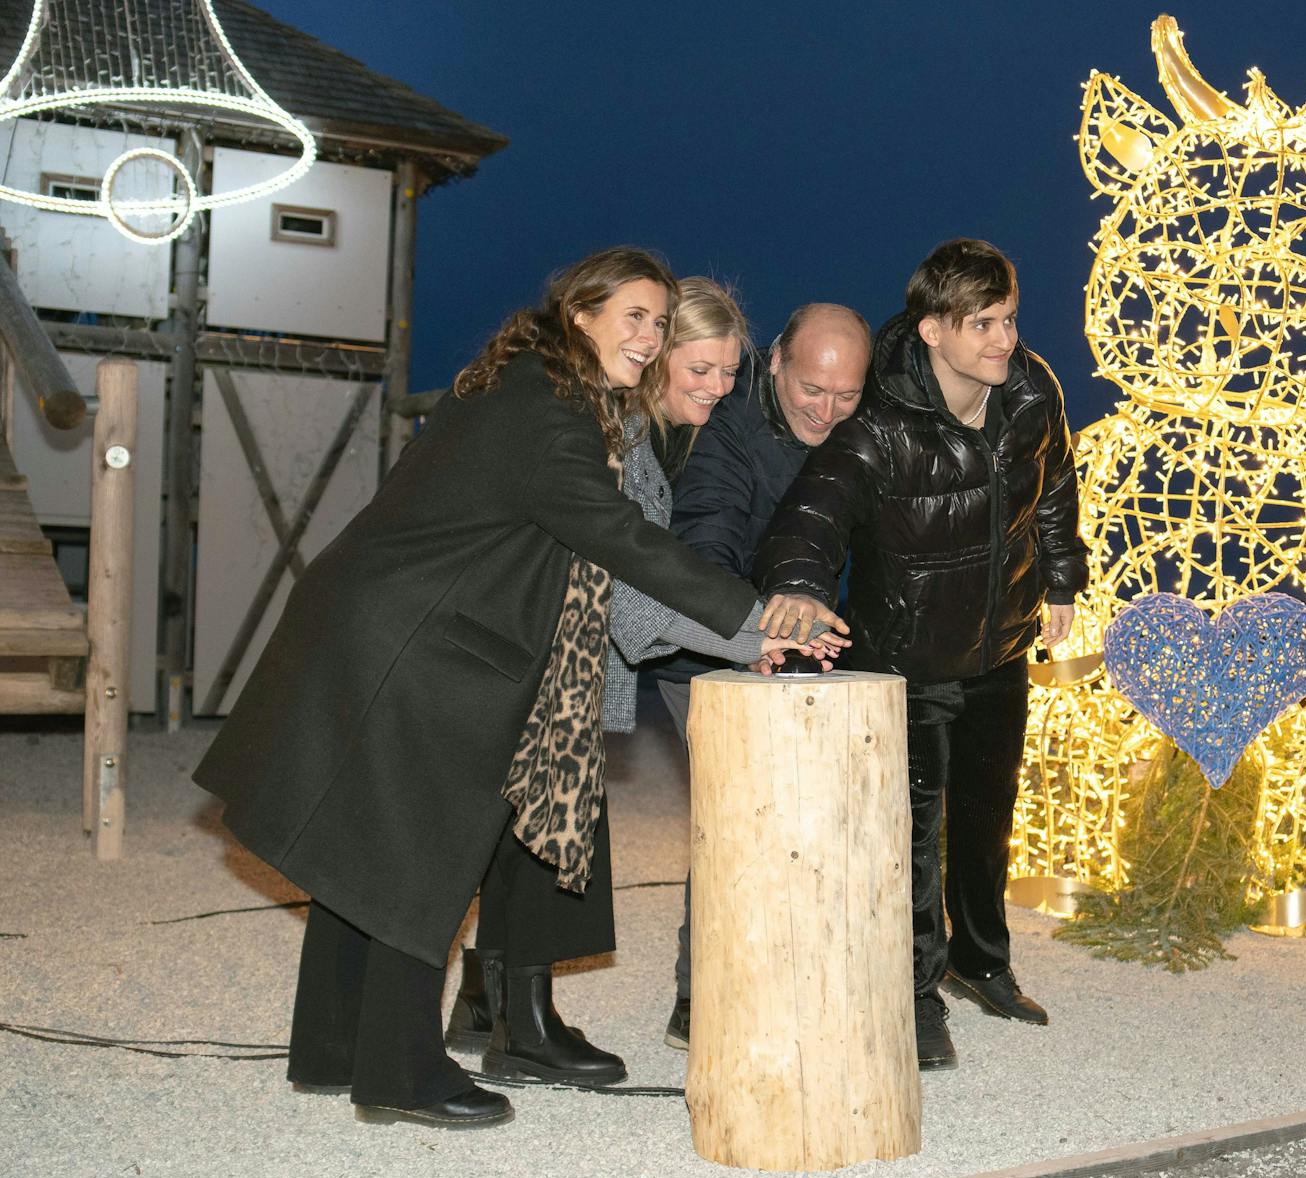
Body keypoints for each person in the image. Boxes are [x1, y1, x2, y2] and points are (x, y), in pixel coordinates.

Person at [192, 248, 840, 1130]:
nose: (649, 337)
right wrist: (755, 615)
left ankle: (336, 1046)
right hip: (416, 640)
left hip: (390, 622)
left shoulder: (544, 387)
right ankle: (401, 1072)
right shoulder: (551, 406)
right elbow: (619, 538)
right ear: (581, 312)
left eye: (658, 320)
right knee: (417, 862)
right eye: (635, 317)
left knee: (365, 845)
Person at [442, 280, 846, 1075]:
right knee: (543, 832)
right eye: (700, 368)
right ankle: (522, 1030)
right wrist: (749, 633)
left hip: (541, 652)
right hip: (539, 659)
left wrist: (744, 632)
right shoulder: (620, 441)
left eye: (730, 373)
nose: (718, 389)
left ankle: (486, 1005)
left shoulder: (648, 433)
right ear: (654, 355)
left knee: (515, 831)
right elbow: (637, 599)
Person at [755, 239, 1086, 1071]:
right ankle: (912, 990)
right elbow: (811, 511)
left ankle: (984, 963)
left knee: (987, 818)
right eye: (984, 324)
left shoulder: (1032, 391)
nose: (1004, 339)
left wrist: (1061, 582)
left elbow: (1053, 487)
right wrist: (796, 582)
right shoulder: (881, 422)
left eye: (1010, 318)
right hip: (908, 660)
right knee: (913, 834)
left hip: (1000, 646)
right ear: (934, 328)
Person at [648, 301, 871, 1048]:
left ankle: (784, 978)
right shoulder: (729, 432)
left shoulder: (854, 435)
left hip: (787, 647)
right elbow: (706, 541)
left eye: (847, 396)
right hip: (706, 651)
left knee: (795, 825)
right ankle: (699, 999)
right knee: (735, 821)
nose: (827, 409)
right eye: (813, 388)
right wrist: (751, 630)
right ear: (775, 362)